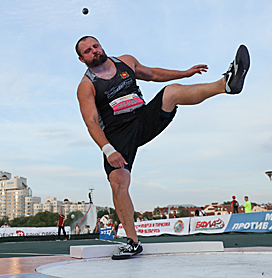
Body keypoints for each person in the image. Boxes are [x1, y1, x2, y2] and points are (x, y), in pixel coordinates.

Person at [76, 36, 250, 260]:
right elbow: (90, 121)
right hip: (117, 135)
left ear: (101, 45)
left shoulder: (125, 62)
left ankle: (226, 84)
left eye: (95, 46)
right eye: (88, 51)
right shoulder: (86, 86)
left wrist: (185, 73)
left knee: (171, 92)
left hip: (143, 119)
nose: (94, 51)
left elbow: (153, 74)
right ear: (82, 59)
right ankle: (133, 242)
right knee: (118, 182)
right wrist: (109, 150)